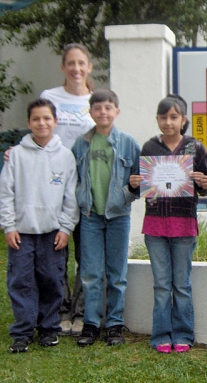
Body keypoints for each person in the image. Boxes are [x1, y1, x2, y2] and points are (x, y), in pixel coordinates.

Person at [128, 95, 207, 354]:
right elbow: (139, 186)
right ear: (157, 119)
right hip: (155, 226)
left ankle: (184, 334)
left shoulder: (195, 147)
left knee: (181, 284)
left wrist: (202, 181)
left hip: (184, 224)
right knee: (162, 284)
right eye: (163, 117)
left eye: (174, 117)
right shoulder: (149, 148)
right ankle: (161, 334)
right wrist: (134, 184)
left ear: (183, 120)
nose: (168, 122)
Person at [0, 98, 79, 353]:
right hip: (21, 233)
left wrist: (66, 228)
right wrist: (8, 226)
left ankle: (48, 328)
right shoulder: (16, 156)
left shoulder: (66, 157)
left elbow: (71, 197)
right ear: (28, 123)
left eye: (47, 118)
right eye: (36, 119)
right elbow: (6, 193)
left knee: (52, 280)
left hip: (52, 233)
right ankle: (23, 331)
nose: (42, 123)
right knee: (21, 281)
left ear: (55, 122)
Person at [71, 89, 140, 347]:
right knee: (90, 272)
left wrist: (128, 192)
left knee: (117, 273)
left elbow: (139, 184)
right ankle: (90, 324)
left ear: (116, 112)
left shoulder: (129, 143)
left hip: (118, 216)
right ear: (91, 113)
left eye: (108, 108)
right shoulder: (81, 144)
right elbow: (72, 177)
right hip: (90, 216)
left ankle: (114, 325)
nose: (103, 112)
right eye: (97, 108)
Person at [41, 43, 95, 336]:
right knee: (56, 250)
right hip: (54, 186)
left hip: (86, 187)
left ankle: (80, 312)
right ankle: (59, 310)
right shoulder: (50, 97)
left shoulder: (95, 100)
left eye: (81, 63)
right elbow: (40, 130)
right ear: (63, 67)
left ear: (89, 68)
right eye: (71, 63)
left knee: (85, 253)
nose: (76, 69)